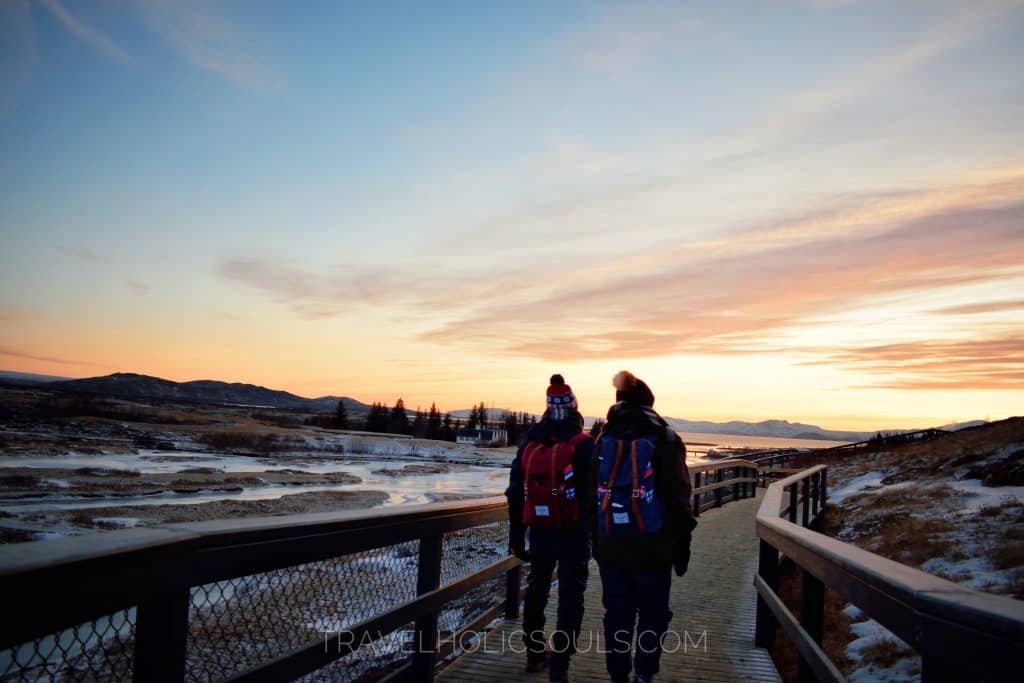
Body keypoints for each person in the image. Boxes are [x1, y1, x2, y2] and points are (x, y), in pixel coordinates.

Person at [592, 371, 695, 683]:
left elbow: (589, 494)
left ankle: (618, 676)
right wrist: (681, 546)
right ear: (649, 403)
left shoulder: (603, 438)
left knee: (618, 614)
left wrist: (596, 539)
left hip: (611, 545)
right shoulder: (665, 438)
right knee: (653, 612)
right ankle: (644, 675)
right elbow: (679, 497)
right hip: (654, 546)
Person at [507, 374, 595, 682]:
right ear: (574, 408)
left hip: (540, 529)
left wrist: (516, 536)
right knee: (571, 597)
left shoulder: (532, 442)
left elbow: (516, 490)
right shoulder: (583, 444)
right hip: (573, 533)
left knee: (537, 590)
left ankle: (534, 654)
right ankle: (561, 663)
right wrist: (594, 534)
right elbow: (593, 494)